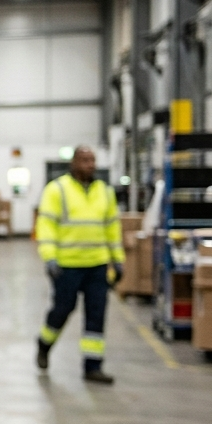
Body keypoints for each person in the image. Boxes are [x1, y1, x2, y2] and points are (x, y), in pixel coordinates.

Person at [35, 146, 123, 383]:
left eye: (92, 160)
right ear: (73, 163)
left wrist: (118, 259)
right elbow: (46, 226)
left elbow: (112, 228)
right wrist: (49, 257)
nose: (89, 165)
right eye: (84, 160)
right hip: (67, 265)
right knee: (62, 310)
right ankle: (44, 344)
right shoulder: (57, 190)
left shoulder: (105, 192)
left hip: (97, 265)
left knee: (96, 315)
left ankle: (92, 367)